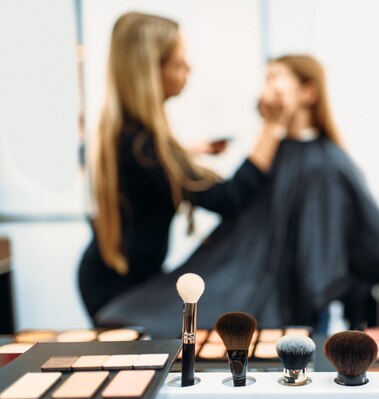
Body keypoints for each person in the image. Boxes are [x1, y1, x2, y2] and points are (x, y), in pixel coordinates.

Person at [96, 55, 379, 336]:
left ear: (308, 93)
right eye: (265, 79)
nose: (267, 87)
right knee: (138, 319)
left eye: (275, 77)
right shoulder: (276, 153)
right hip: (248, 286)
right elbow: (234, 200)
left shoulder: (328, 162)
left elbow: (351, 245)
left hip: (301, 301)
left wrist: (324, 282)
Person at [78, 12, 285, 320]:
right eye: (178, 63)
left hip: (116, 276)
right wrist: (274, 127)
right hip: (119, 291)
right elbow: (229, 198)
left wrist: (188, 152)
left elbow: (151, 171)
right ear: (150, 72)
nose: (189, 68)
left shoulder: (129, 132)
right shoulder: (146, 148)